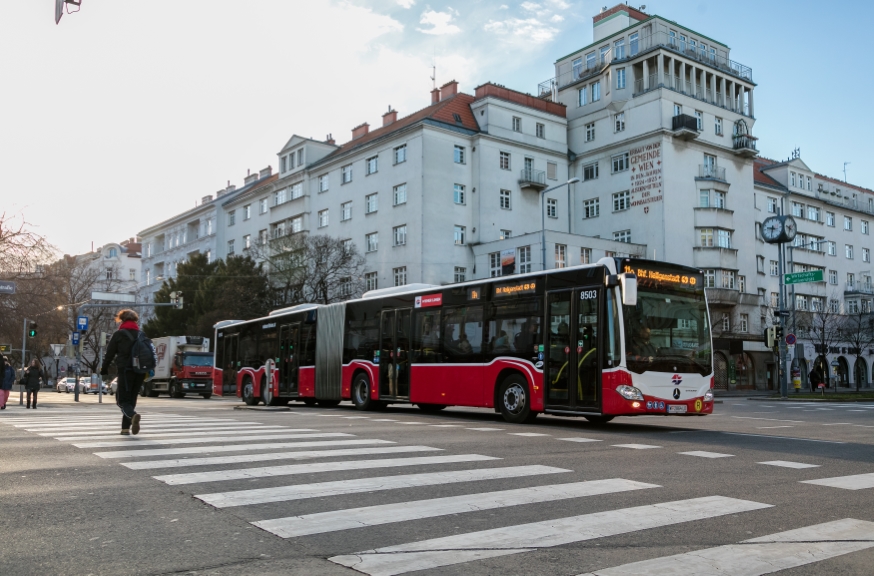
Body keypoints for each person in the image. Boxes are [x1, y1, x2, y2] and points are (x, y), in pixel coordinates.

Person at [100, 309, 146, 435]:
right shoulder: (141, 334)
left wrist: (104, 369)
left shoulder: (119, 334)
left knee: (122, 400)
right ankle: (125, 428)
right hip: (140, 371)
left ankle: (132, 415)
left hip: (126, 371)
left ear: (122, 319)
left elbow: (109, 354)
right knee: (131, 399)